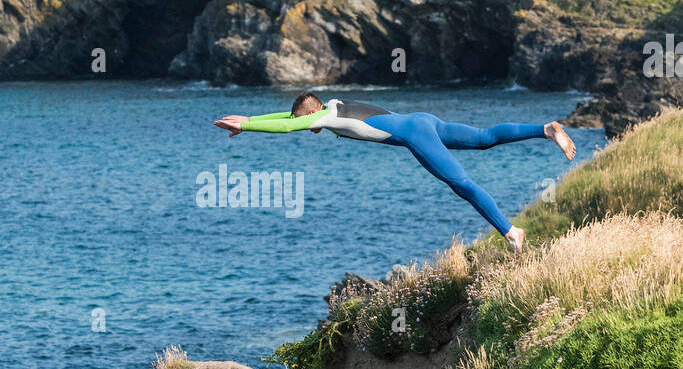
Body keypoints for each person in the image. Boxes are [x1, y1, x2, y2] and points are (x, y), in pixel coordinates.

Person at [214, 93, 577, 255]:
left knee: (461, 184)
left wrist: (247, 128)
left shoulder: (323, 117)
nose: (308, 126)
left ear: (313, 113)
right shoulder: (333, 105)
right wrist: (248, 119)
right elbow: (287, 117)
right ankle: (544, 129)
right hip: (422, 119)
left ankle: (511, 232)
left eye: (306, 120)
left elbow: (289, 127)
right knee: (483, 139)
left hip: (414, 134)